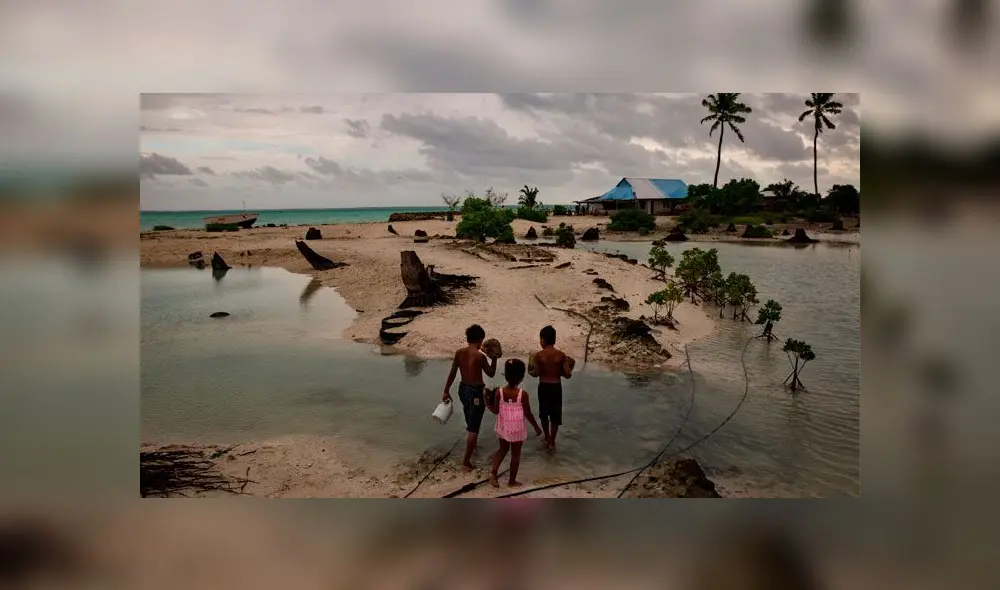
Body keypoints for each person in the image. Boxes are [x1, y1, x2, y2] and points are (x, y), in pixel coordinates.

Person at [443, 324, 498, 471]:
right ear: (480, 340)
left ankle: (471, 448)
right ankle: (466, 461)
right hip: (475, 393)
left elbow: (453, 373)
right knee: (474, 428)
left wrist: (446, 390)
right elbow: (491, 373)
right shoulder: (480, 356)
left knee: (470, 420)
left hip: (463, 390)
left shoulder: (459, 352)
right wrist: (494, 358)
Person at [487, 358, 542, 488]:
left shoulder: (499, 392)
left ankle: (493, 473)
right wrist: (536, 427)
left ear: (505, 375)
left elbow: (495, 411)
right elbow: (528, 414)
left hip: (503, 427)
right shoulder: (523, 394)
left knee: (502, 449)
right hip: (517, 429)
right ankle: (512, 481)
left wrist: (485, 402)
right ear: (522, 377)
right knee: (516, 455)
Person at [527, 325, 575, 450]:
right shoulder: (561, 355)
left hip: (543, 387)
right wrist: (562, 371)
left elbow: (536, 373)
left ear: (542, 340)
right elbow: (568, 375)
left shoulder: (538, 355)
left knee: (543, 414)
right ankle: (552, 442)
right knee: (555, 415)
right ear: (554, 340)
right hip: (556, 387)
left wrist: (530, 372)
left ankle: (547, 437)